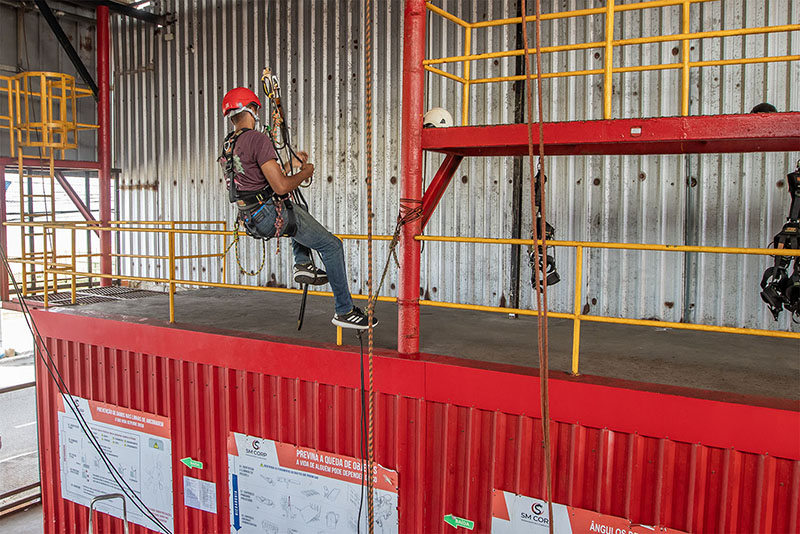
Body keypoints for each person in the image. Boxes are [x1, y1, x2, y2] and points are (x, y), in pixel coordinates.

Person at [220, 87, 377, 330]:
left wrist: (289, 163)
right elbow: (281, 186)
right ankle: (344, 310)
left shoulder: (229, 144)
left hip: (250, 216)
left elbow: (256, 176)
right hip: (269, 213)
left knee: (298, 213)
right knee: (332, 245)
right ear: (252, 109)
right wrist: (305, 172)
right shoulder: (257, 138)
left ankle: (302, 262)